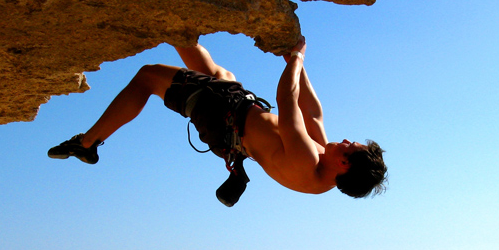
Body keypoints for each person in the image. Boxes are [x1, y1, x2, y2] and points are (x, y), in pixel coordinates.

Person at [48, 37, 387, 205]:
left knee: (148, 77)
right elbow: (312, 112)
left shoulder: (307, 162)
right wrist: (294, 61)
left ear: (344, 163)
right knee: (205, 61)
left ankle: (87, 144)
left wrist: (296, 59)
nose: (343, 139)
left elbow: (288, 102)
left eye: (349, 144)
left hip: (221, 117)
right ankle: (178, 26)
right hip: (236, 108)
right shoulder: (324, 167)